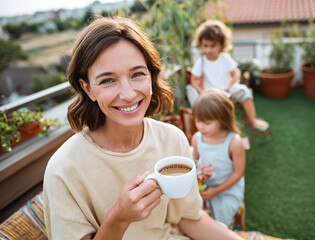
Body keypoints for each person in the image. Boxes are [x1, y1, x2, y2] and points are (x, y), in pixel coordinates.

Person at [43, 17, 244, 240]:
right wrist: (119, 218)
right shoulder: (63, 170)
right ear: (87, 88)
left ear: (151, 75)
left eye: (137, 74)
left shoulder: (173, 139)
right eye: (108, 80)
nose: (128, 94)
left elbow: (189, 218)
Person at [186, 19, 269, 135]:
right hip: (212, 94)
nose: (208, 50)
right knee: (223, 108)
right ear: (201, 44)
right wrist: (202, 91)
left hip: (228, 89)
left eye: (212, 46)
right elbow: (193, 80)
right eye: (205, 46)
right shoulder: (202, 62)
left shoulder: (225, 58)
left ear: (221, 44)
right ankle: (230, 131)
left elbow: (236, 73)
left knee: (244, 91)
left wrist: (230, 86)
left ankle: (252, 120)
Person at [191, 88, 245, 228]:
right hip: (206, 185)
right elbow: (194, 164)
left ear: (222, 119)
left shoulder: (234, 141)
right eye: (198, 121)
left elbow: (238, 173)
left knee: (221, 217)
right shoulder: (197, 138)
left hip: (228, 188)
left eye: (207, 123)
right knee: (193, 214)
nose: (200, 127)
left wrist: (216, 191)